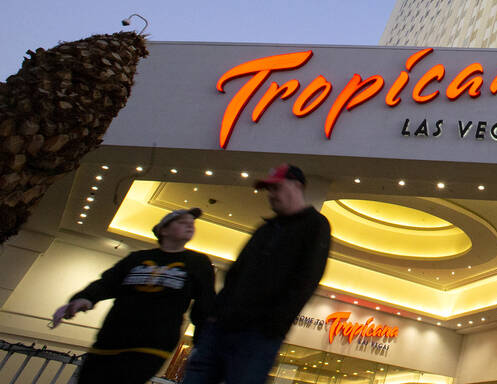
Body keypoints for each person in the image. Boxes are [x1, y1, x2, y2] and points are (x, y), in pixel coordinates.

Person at [183, 164, 331, 384]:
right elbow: (236, 273)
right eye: (269, 189)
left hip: (256, 335)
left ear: (296, 186)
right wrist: (215, 315)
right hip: (222, 327)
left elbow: (307, 278)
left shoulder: (314, 225)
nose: (271, 195)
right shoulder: (266, 228)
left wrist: (274, 325)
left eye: (277, 188)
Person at [51, 207, 215, 384]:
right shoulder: (136, 258)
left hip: (155, 341)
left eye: (192, 224)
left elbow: (205, 302)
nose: (190, 226)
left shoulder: (198, 263)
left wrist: (204, 340)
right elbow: (108, 282)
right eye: (182, 222)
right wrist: (84, 299)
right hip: (111, 337)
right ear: (163, 230)